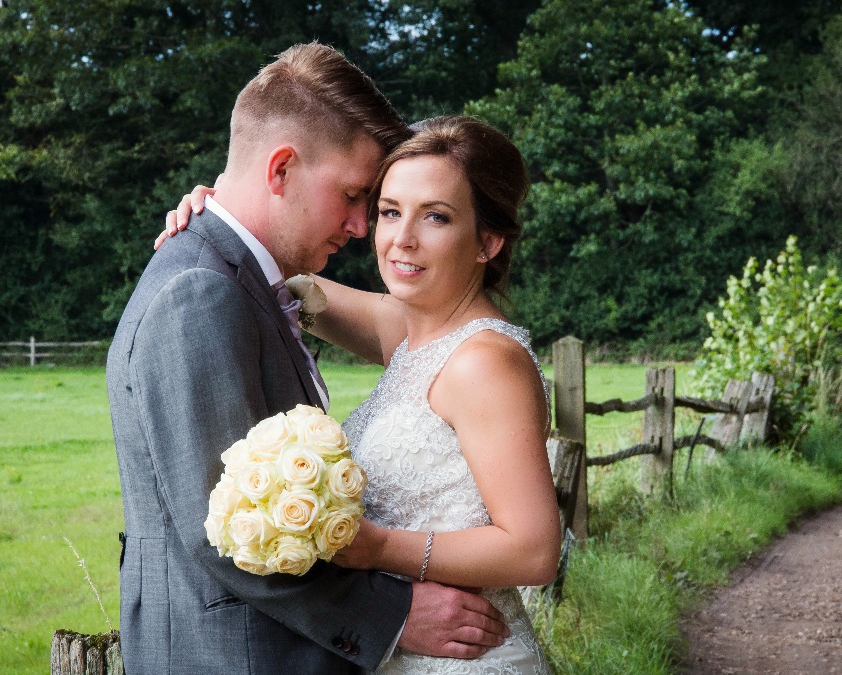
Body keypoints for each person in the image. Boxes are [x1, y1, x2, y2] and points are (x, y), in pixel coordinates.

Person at [107, 44, 510, 675]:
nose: (361, 225)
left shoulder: (247, 279)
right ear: (281, 169)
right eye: (355, 195)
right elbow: (229, 533)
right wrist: (395, 613)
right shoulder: (201, 292)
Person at [162, 115, 561, 673]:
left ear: (487, 242)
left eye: (437, 217)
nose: (402, 239)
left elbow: (534, 550)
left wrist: (376, 548)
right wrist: (221, 213)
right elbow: (289, 281)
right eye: (390, 212)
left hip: (470, 656)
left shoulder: (484, 364)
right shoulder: (410, 329)